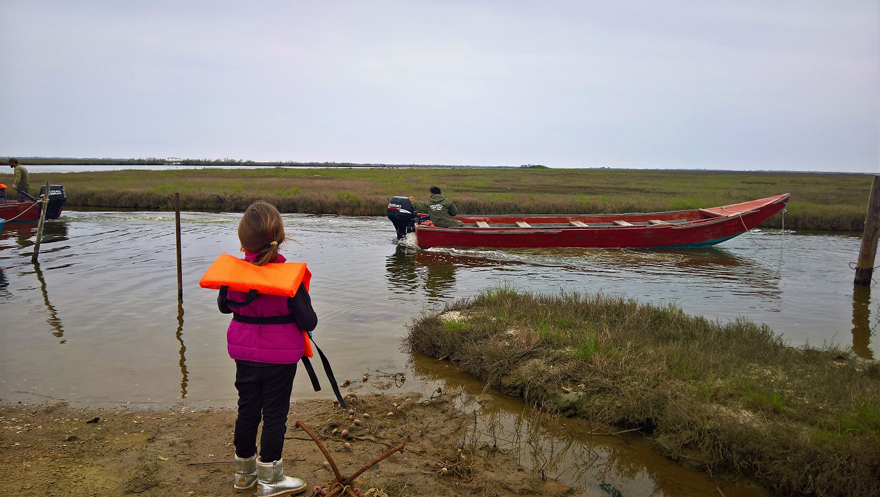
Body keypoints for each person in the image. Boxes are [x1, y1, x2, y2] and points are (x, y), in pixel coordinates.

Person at [214, 200, 314, 496]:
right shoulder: (291, 280)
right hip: (281, 360)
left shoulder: (232, 275)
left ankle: (243, 476)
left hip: (243, 353)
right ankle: (270, 478)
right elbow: (309, 320)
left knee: (247, 411)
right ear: (280, 238)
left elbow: (224, 307)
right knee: (274, 415)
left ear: (243, 240)